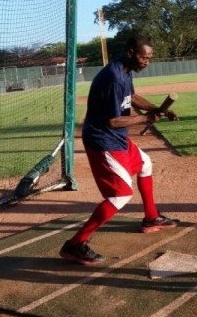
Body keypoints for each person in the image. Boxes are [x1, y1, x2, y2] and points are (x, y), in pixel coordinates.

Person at [59, 34, 180, 266]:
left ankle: (151, 218)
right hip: (103, 140)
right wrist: (145, 119)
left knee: (145, 164)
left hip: (117, 138)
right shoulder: (113, 77)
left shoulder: (124, 71)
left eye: (149, 58)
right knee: (120, 195)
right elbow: (113, 121)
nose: (147, 62)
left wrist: (157, 109)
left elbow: (132, 97)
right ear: (130, 53)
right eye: (144, 58)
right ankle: (75, 245)